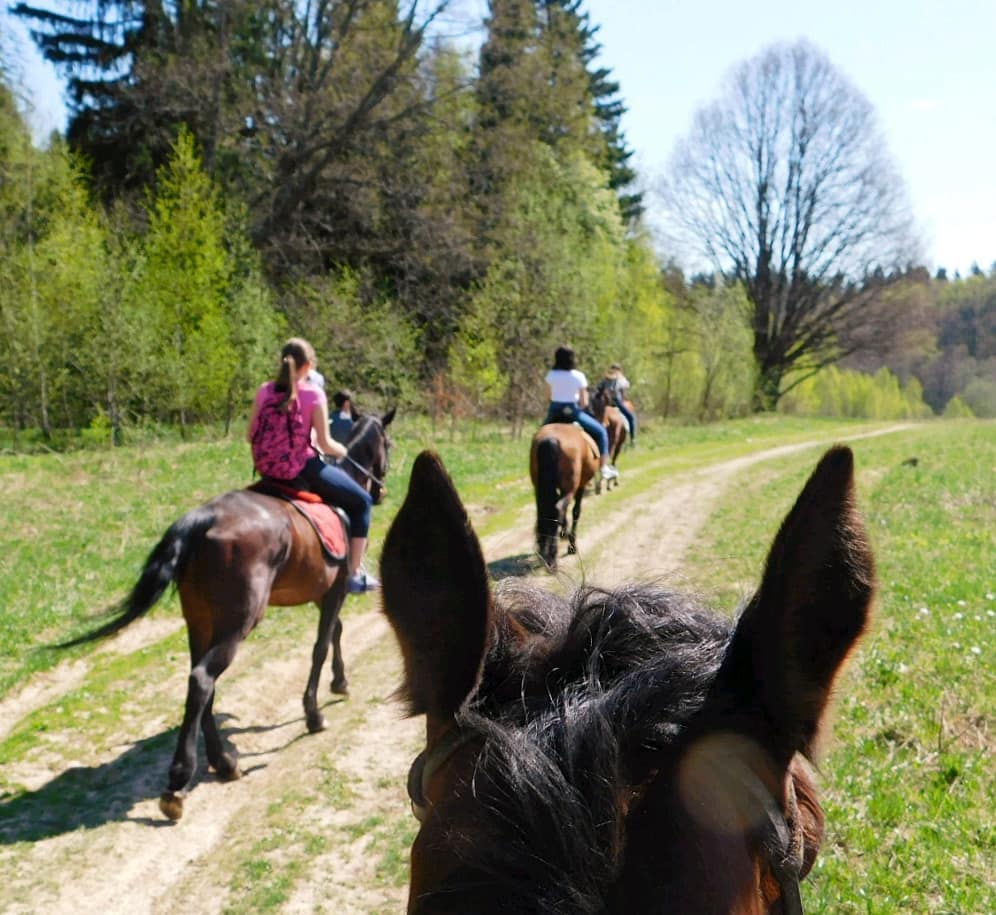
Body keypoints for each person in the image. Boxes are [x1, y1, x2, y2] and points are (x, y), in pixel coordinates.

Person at [247, 338, 379, 594]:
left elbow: (249, 434)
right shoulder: (313, 394)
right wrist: (344, 450)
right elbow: (327, 444)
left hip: (265, 467)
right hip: (300, 468)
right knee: (361, 501)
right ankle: (354, 573)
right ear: (308, 367)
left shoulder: (264, 390)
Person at [544, 345, 618, 481]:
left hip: (554, 411)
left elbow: (547, 397)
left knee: (540, 435)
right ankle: (604, 468)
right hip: (573, 411)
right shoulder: (579, 376)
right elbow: (584, 401)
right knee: (601, 432)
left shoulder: (551, 375)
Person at [600, 363, 637, 445]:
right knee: (631, 417)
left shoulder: (605, 378)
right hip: (616, 402)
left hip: (604, 404)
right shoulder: (620, 379)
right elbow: (623, 390)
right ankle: (633, 439)